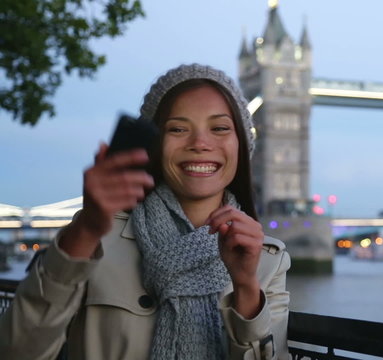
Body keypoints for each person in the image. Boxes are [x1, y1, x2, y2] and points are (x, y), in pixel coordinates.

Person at [0, 64, 291, 359]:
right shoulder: (95, 239)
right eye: (177, 129)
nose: (200, 144)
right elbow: (17, 352)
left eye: (219, 128)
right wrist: (85, 231)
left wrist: (245, 287)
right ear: (153, 145)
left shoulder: (267, 261)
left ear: (241, 144)